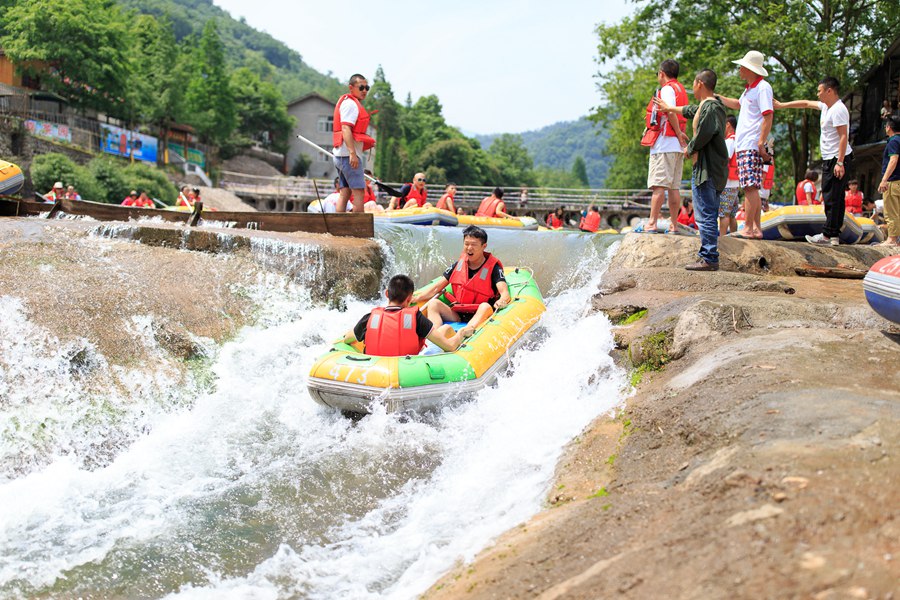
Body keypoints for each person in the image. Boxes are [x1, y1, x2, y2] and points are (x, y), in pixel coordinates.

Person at [656, 68, 728, 271]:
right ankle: (708, 255)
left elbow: (705, 132)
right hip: (708, 169)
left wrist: (690, 148)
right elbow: (690, 110)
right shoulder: (707, 106)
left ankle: (709, 257)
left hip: (708, 170)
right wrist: (670, 108)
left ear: (700, 84)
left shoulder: (711, 108)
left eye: (694, 84)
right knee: (707, 213)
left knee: (705, 214)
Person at [776, 76, 854, 246]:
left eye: (819, 91)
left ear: (829, 91)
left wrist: (840, 162)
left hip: (837, 158)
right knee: (835, 197)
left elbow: (843, 137)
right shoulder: (826, 107)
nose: (817, 94)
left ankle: (827, 235)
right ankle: (833, 235)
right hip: (830, 157)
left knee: (831, 197)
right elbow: (805, 103)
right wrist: (782, 105)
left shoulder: (838, 109)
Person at [716, 51, 775, 239]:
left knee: (750, 187)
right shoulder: (749, 89)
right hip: (745, 144)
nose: (739, 69)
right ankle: (756, 228)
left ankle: (749, 227)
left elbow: (768, 115)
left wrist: (760, 141)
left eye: (742, 66)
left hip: (751, 143)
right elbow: (738, 104)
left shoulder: (763, 88)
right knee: (751, 187)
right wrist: (719, 97)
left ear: (750, 68)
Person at [412, 225, 511, 336]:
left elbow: (504, 293)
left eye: (473, 245)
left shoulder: (493, 268)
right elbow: (436, 287)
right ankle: (435, 337)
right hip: (458, 313)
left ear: (484, 246)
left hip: (480, 312)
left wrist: (502, 301)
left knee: (485, 306)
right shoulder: (458, 265)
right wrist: (416, 298)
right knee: (433, 304)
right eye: (466, 244)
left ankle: (466, 333)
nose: (469, 248)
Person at [345, 274, 465, 356]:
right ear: (409, 298)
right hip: (407, 369)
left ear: (387, 294)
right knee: (446, 329)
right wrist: (461, 334)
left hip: (375, 369)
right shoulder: (416, 318)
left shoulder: (370, 318)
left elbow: (347, 339)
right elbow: (449, 347)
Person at [645, 59, 689, 233]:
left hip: (665, 143)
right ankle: (674, 224)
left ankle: (652, 223)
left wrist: (678, 134)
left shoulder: (667, 89)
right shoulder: (680, 89)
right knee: (674, 187)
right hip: (676, 147)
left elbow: (669, 111)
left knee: (658, 186)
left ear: (661, 74)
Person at [333, 73, 375, 213]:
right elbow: (345, 128)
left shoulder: (350, 102)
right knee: (359, 193)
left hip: (341, 156)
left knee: (345, 192)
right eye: (361, 87)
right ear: (351, 88)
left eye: (367, 87)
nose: (364, 90)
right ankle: (358, 230)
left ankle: (338, 226)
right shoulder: (351, 104)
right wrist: (352, 153)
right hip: (347, 156)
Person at [877, 115, 900, 246]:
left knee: (891, 212)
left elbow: (893, 160)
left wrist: (884, 180)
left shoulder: (893, 141)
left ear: (888, 127)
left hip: (893, 181)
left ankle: (892, 239)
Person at [720, 116, 741, 235]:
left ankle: (722, 239)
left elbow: (724, 159)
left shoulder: (729, 141)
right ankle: (734, 236)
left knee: (723, 214)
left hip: (727, 183)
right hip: (735, 182)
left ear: (728, 124)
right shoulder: (738, 140)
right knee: (732, 214)